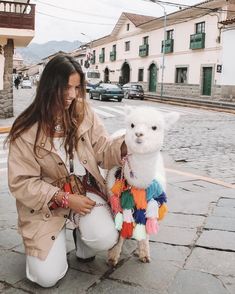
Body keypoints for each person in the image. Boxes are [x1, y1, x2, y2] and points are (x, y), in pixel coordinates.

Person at [7, 54, 127, 288]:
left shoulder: (83, 112)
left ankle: (80, 234)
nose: (72, 95)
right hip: (45, 205)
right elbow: (21, 182)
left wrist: (125, 145)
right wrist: (64, 198)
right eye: (65, 87)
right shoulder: (26, 128)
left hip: (85, 193)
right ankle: (52, 238)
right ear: (49, 86)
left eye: (76, 87)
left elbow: (102, 150)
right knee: (46, 278)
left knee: (105, 238)